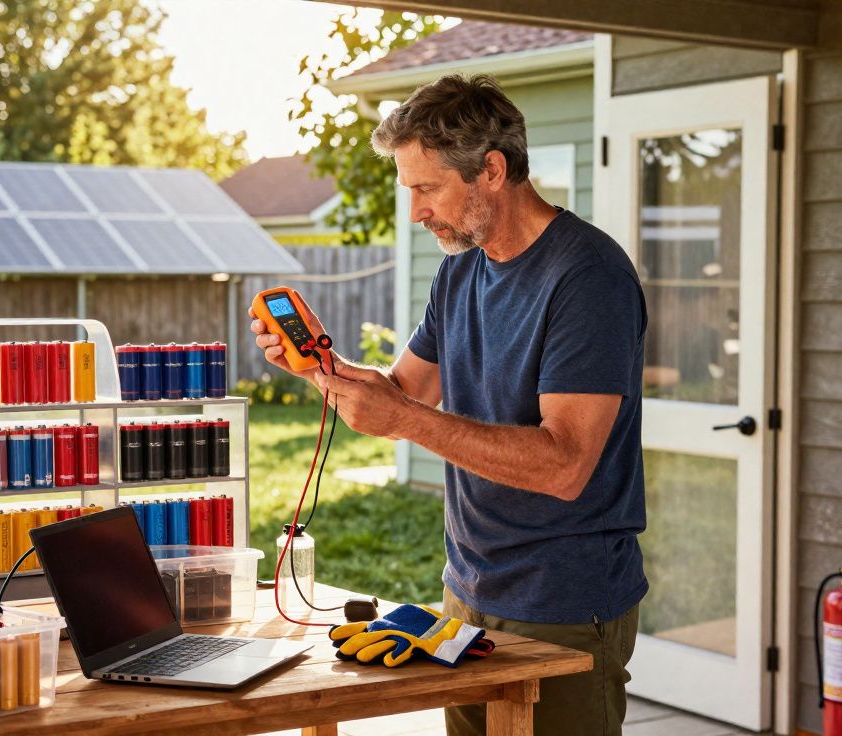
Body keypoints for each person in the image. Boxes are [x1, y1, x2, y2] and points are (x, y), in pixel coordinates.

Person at [249, 74, 647, 736]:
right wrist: (316, 365)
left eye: (426, 188)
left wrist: (402, 419)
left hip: (563, 603)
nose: (416, 212)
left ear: (491, 171)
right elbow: (403, 395)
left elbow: (564, 466)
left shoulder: (587, 278)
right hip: (466, 594)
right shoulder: (461, 269)